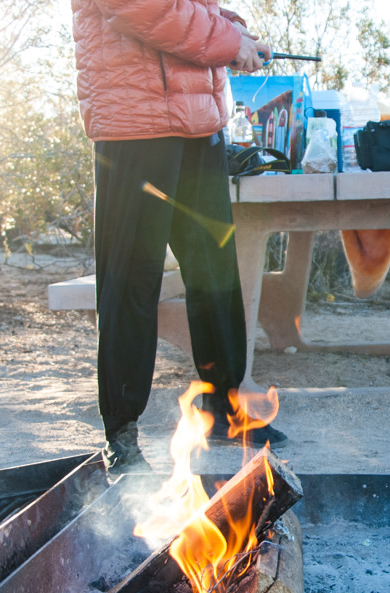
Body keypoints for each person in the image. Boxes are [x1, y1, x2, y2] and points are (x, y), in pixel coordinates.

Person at [71, 0, 288, 472]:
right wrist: (229, 42)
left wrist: (236, 34)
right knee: (131, 279)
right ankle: (122, 434)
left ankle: (227, 413)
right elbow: (143, 8)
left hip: (199, 126)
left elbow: (191, 9)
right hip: (134, 126)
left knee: (215, 273)